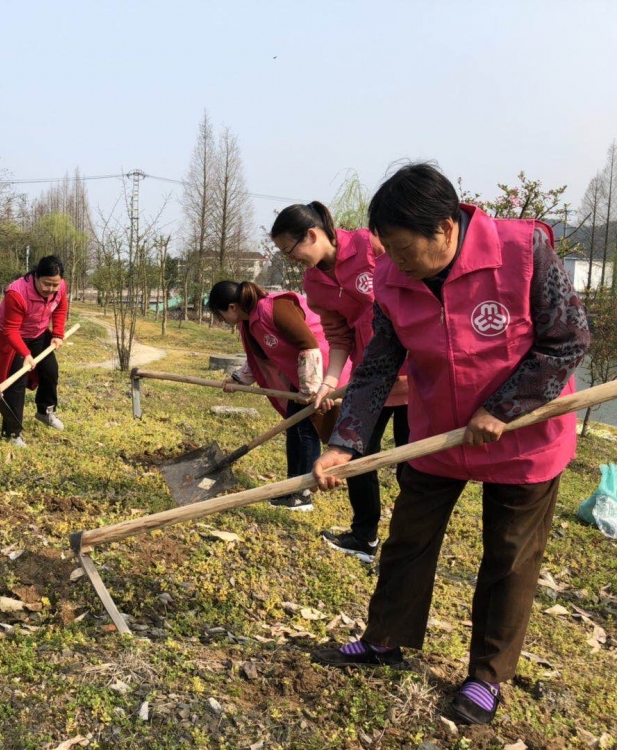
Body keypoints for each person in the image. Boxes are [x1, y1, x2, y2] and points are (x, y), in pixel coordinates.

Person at [309, 163, 589, 726]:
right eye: (386, 248)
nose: (395, 262)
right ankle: (385, 638)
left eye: (404, 248)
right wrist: (346, 442)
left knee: (509, 556)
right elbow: (377, 367)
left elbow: (569, 340)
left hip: (523, 435)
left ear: (445, 229)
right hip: (437, 431)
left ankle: (486, 677)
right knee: (409, 538)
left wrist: (503, 408)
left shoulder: (525, 251)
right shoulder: (391, 280)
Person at [270, 202, 410, 561]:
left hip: (412, 376)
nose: (291, 260)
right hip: (369, 381)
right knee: (351, 453)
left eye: (290, 250)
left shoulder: (370, 245)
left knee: (415, 466)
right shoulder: (314, 283)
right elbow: (338, 336)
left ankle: (408, 548)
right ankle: (364, 537)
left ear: (312, 235)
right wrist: (329, 382)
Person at [208, 280, 350, 510]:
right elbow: (258, 358)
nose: (222, 320)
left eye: (220, 314)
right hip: (303, 378)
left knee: (304, 430)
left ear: (232, 307)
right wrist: (237, 380)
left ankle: (301, 493)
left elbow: (309, 345)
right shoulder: (249, 322)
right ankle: (292, 488)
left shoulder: (273, 307)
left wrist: (312, 389)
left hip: (322, 371)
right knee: (295, 429)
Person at [0, 255, 69, 447]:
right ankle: (12, 432)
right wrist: (26, 354)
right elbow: (10, 330)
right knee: (17, 381)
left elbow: (61, 308)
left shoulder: (60, 287)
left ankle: (45, 411)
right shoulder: (17, 293)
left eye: (55, 285)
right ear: (36, 276)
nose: (51, 289)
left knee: (50, 370)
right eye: (47, 284)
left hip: (38, 333)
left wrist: (57, 333)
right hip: (12, 337)